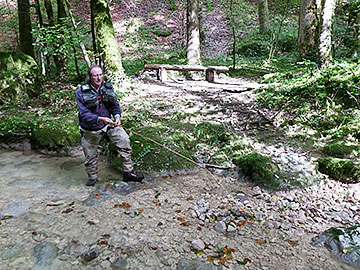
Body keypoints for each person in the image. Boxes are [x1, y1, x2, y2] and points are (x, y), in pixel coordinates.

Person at [76, 64, 144, 186]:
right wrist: (100, 118)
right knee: (90, 157)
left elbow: (115, 106)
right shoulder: (81, 92)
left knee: (124, 141)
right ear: (90, 77)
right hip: (90, 129)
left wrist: (117, 116)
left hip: (108, 125)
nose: (98, 78)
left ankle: (128, 173)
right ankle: (93, 178)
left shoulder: (107, 88)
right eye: (95, 75)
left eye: (100, 75)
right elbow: (84, 114)